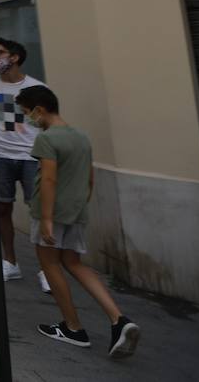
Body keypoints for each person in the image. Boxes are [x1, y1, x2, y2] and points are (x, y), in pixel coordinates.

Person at [16, 85, 140, 358]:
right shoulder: (81, 136)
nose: (28, 118)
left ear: (39, 109)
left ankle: (73, 327)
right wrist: (79, 204)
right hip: (76, 211)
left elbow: (48, 179)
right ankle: (118, 318)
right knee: (73, 263)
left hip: (51, 211)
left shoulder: (47, 139)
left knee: (50, 264)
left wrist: (47, 218)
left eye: (27, 112)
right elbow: (90, 177)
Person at [0, 37, 47, 286]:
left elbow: (45, 121)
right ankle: (10, 262)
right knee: (2, 208)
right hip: (1, 156)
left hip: (31, 157)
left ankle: (46, 270)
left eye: (0, 52)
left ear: (15, 58)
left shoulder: (37, 87)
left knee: (39, 212)